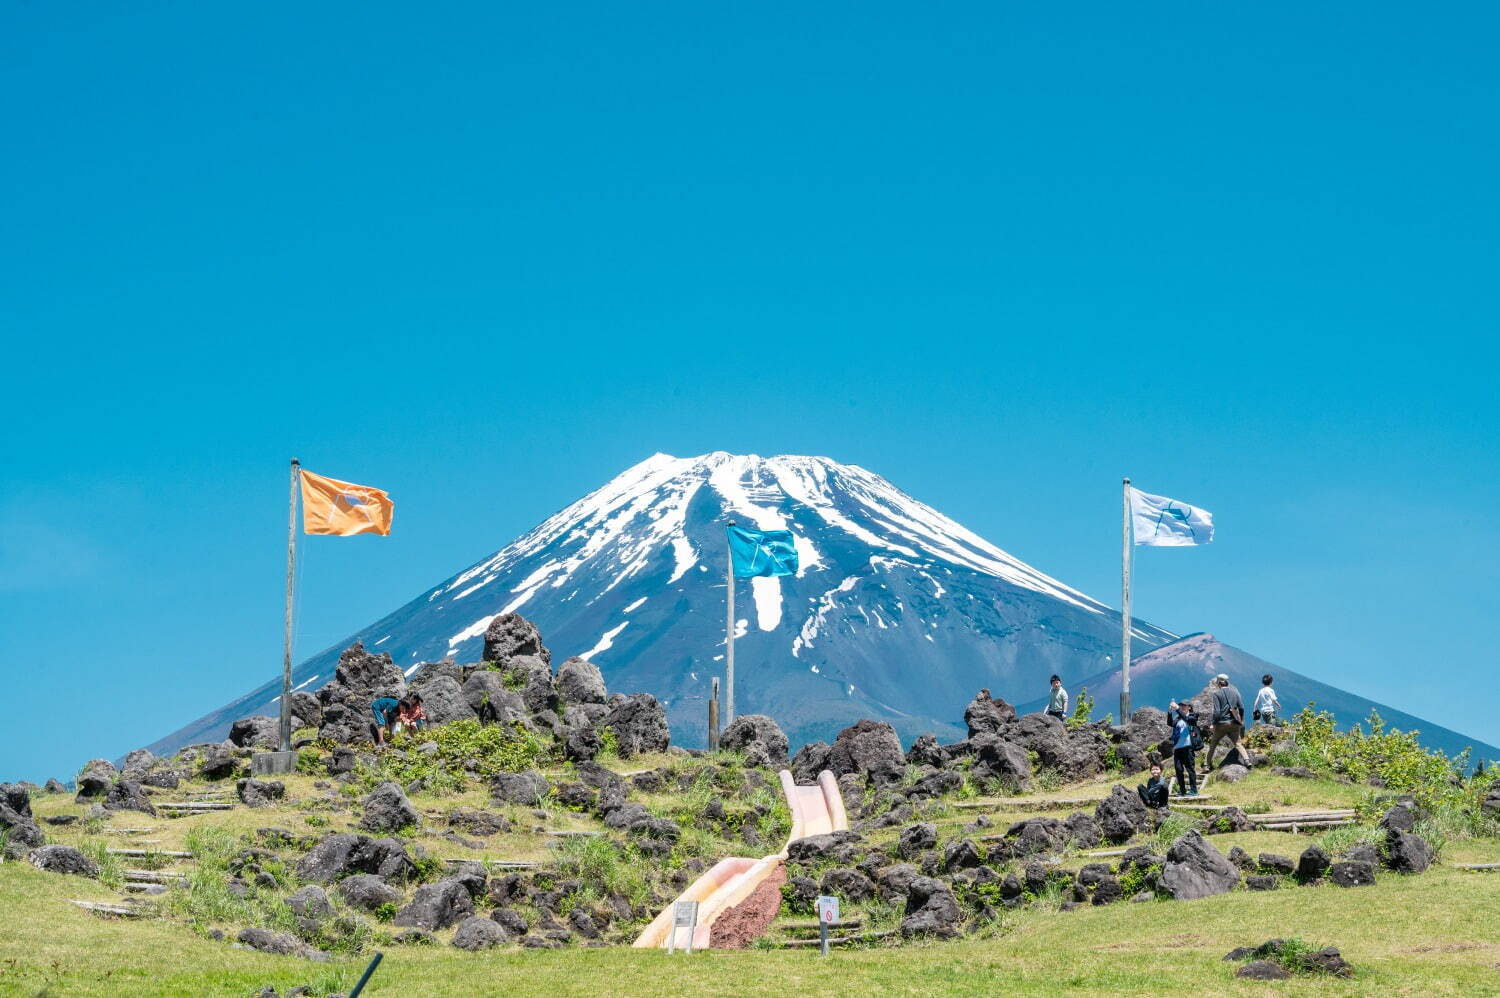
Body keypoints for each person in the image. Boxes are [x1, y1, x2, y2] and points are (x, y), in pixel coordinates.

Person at [1204, 673, 1249, 770]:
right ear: (1227, 683)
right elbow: (1241, 707)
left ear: (1219, 684)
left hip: (1222, 724)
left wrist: (1213, 724)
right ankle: (1247, 760)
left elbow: (1217, 711)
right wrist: (1241, 719)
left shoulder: (1216, 694)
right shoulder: (1235, 692)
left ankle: (1207, 765)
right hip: (1234, 723)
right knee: (1238, 743)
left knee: (1213, 745)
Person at [1168, 698, 1199, 796]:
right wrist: (1170, 712)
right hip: (1178, 748)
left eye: (1184, 705)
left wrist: (1177, 708)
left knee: (1190, 769)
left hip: (1188, 747)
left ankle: (1194, 791)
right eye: (1181, 705)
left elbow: (1188, 720)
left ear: (1189, 707)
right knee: (1178, 769)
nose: (1182, 707)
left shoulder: (1192, 716)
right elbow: (1170, 723)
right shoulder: (1178, 718)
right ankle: (1182, 791)